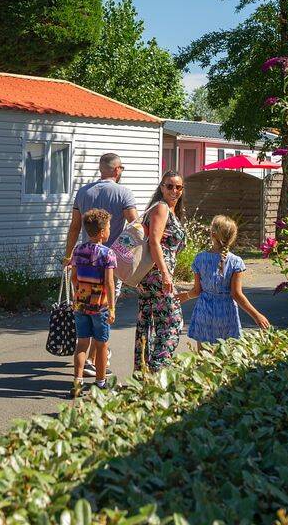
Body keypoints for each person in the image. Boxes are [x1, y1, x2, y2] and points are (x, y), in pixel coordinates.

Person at [63, 153, 138, 374]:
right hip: (109, 260)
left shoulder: (84, 192)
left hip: (85, 261)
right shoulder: (123, 193)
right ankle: (95, 360)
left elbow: (75, 227)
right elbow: (136, 227)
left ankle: (90, 355)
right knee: (103, 310)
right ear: (116, 170)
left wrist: (69, 256)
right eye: (121, 168)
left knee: (87, 306)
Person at [177, 215, 271, 346]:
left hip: (204, 312)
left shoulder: (200, 259)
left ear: (212, 234)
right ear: (232, 237)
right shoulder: (236, 262)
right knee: (226, 357)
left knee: (203, 358)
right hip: (227, 313)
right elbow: (236, 294)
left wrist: (184, 296)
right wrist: (256, 315)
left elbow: (197, 291)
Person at [134, 170, 187, 372]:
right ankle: (157, 368)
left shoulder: (167, 210)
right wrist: (166, 273)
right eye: (169, 186)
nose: (174, 190)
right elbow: (154, 242)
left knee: (147, 322)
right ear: (161, 187)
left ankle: (143, 373)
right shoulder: (162, 208)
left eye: (178, 187)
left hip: (151, 276)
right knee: (173, 322)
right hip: (156, 275)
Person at [70, 208, 118, 397]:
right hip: (100, 306)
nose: (109, 231)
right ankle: (100, 382)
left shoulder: (78, 250)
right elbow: (109, 282)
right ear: (101, 232)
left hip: (81, 303)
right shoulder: (108, 254)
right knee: (101, 344)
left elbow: (74, 277)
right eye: (108, 228)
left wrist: (80, 293)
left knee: (82, 343)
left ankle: (77, 383)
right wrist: (112, 308)